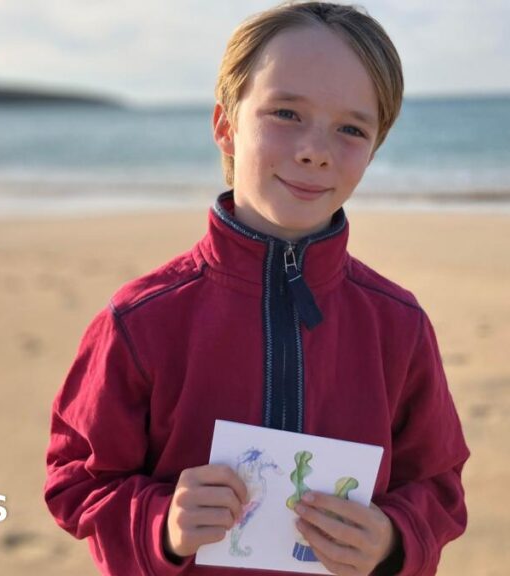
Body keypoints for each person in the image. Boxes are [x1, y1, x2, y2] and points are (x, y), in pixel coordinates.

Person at [43, 2, 470, 575]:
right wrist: (161, 524)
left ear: (374, 149)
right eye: (286, 113)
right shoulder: (142, 319)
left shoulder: (397, 324)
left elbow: (439, 484)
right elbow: (76, 479)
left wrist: (394, 541)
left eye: (351, 128)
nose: (315, 149)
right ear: (225, 125)